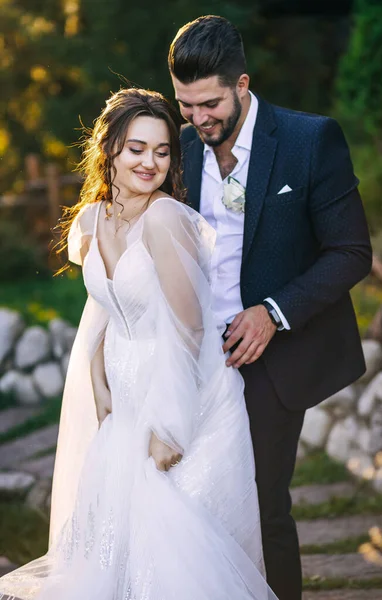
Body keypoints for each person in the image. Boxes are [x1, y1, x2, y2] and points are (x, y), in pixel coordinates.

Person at [0, 88, 278, 600]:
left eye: (163, 150)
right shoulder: (90, 222)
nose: (151, 162)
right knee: (116, 541)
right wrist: (96, 378)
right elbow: (105, 309)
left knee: (176, 550)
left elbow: (189, 330)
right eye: (136, 148)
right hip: (125, 402)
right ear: (109, 150)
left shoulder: (165, 219)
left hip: (186, 398)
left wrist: (169, 427)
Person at [169, 15, 372, 600]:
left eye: (209, 103)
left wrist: (272, 311)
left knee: (260, 506)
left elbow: (351, 251)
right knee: (191, 504)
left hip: (268, 358)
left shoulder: (311, 141)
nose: (198, 119)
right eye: (186, 106)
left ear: (242, 84)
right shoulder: (178, 147)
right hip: (190, 359)